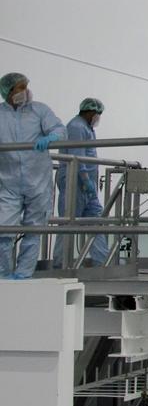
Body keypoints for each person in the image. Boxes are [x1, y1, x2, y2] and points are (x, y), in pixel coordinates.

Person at [0, 73, 66, 278]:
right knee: (3, 230)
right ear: (8, 91)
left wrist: (51, 137)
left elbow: (59, 129)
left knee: (34, 230)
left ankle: (23, 275)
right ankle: (3, 275)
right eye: (20, 88)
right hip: (8, 181)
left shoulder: (39, 110)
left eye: (26, 87)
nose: (25, 91)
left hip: (38, 181)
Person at [53, 98, 108, 266]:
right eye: (97, 114)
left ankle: (102, 261)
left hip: (88, 186)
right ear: (90, 112)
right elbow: (76, 156)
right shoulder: (76, 127)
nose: (98, 117)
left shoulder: (87, 128)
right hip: (74, 182)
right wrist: (84, 178)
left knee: (96, 221)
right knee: (68, 222)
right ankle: (60, 264)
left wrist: (89, 183)